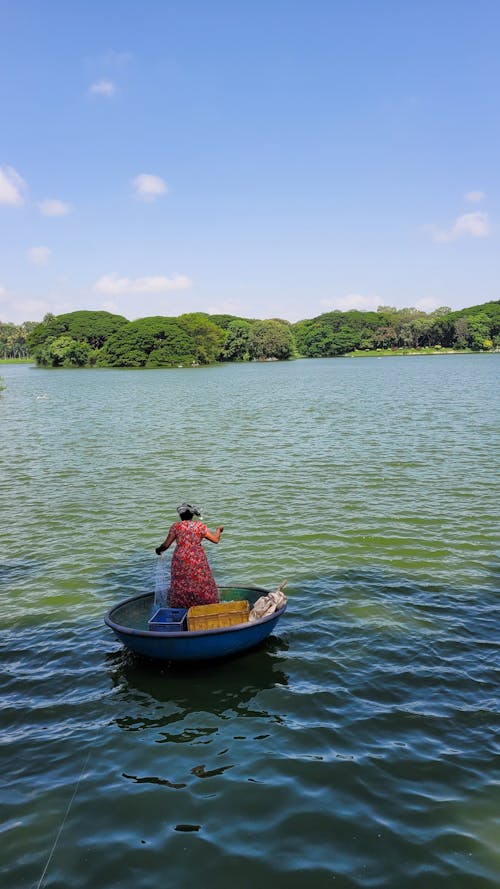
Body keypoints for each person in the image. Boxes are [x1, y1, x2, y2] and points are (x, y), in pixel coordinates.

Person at [155, 503, 224, 609]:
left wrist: (158, 550)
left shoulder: (176, 526)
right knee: (200, 580)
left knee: (182, 581)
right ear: (192, 515)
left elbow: (166, 545)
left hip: (181, 558)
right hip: (197, 558)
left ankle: (182, 605)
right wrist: (219, 530)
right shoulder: (200, 526)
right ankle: (204, 603)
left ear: (180, 516)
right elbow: (215, 540)